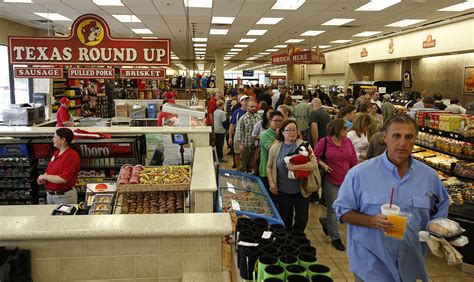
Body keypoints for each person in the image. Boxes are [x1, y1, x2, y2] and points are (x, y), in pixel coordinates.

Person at [333, 114, 449, 281]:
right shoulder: (359, 174)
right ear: (385, 138)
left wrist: (442, 236)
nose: (402, 143)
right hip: (371, 268)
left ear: (415, 139)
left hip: (412, 267)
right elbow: (342, 212)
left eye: (408, 137)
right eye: (396, 136)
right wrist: (372, 221)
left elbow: (440, 216)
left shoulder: (430, 178)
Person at [267, 119, 318, 231]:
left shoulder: (304, 146)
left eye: (294, 130)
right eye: (289, 130)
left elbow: (314, 163)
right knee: (286, 220)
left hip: (302, 191)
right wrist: (271, 182)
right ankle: (287, 241)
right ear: (282, 132)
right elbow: (269, 167)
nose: (292, 132)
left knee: (302, 219)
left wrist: (295, 167)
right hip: (283, 192)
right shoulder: (275, 147)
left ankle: (296, 238)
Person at [315, 118, 357, 250]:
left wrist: (355, 176)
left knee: (341, 209)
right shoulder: (325, 142)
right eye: (345, 128)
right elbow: (314, 156)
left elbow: (353, 160)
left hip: (346, 181)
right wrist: (323, 164)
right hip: (330, 180)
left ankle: (325, 221)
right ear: (337, 129)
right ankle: (335, 238)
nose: (347, 130)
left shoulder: (348, 142)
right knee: (332, 209)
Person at [37, 128, 80, 204]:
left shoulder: (71, 156)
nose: (53, 139)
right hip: (50, 195)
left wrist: (45, 177)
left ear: (63, 140)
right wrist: (44, 177)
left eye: (55, 137)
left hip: (64, 197)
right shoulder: (56, 153)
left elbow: (64, 179)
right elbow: (49, 171)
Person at [259, 111, 283, 198]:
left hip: (279, 172)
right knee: (268, 199)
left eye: (280, 121)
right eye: (275, 120)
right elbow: (270, 149)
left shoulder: (284, 133)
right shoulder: (264, 134)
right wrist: (278, 136)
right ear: (270, 121)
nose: (278, 123)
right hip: (266, 171)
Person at [235, 100, 260, 172]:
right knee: (243, 164)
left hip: (255, 146)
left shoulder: (258, 118)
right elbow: (238, 132)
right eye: (251, 106)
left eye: (254, 107)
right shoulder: (243, 119)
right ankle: (240, 179)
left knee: (252, 164)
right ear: (247, 107)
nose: (253, 108)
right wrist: (239, 144)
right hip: (245, 145)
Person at [229, 95, 249, 168]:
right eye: (245, 101)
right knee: (237, 153)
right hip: (238, 137)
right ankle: (238, 168)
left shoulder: (251, 111)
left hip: (247, 137)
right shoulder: (236, 112)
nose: (246, 102)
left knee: (246, 154)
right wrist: (230, 137)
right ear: (241, 102)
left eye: (247, 101)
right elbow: (232, 125)